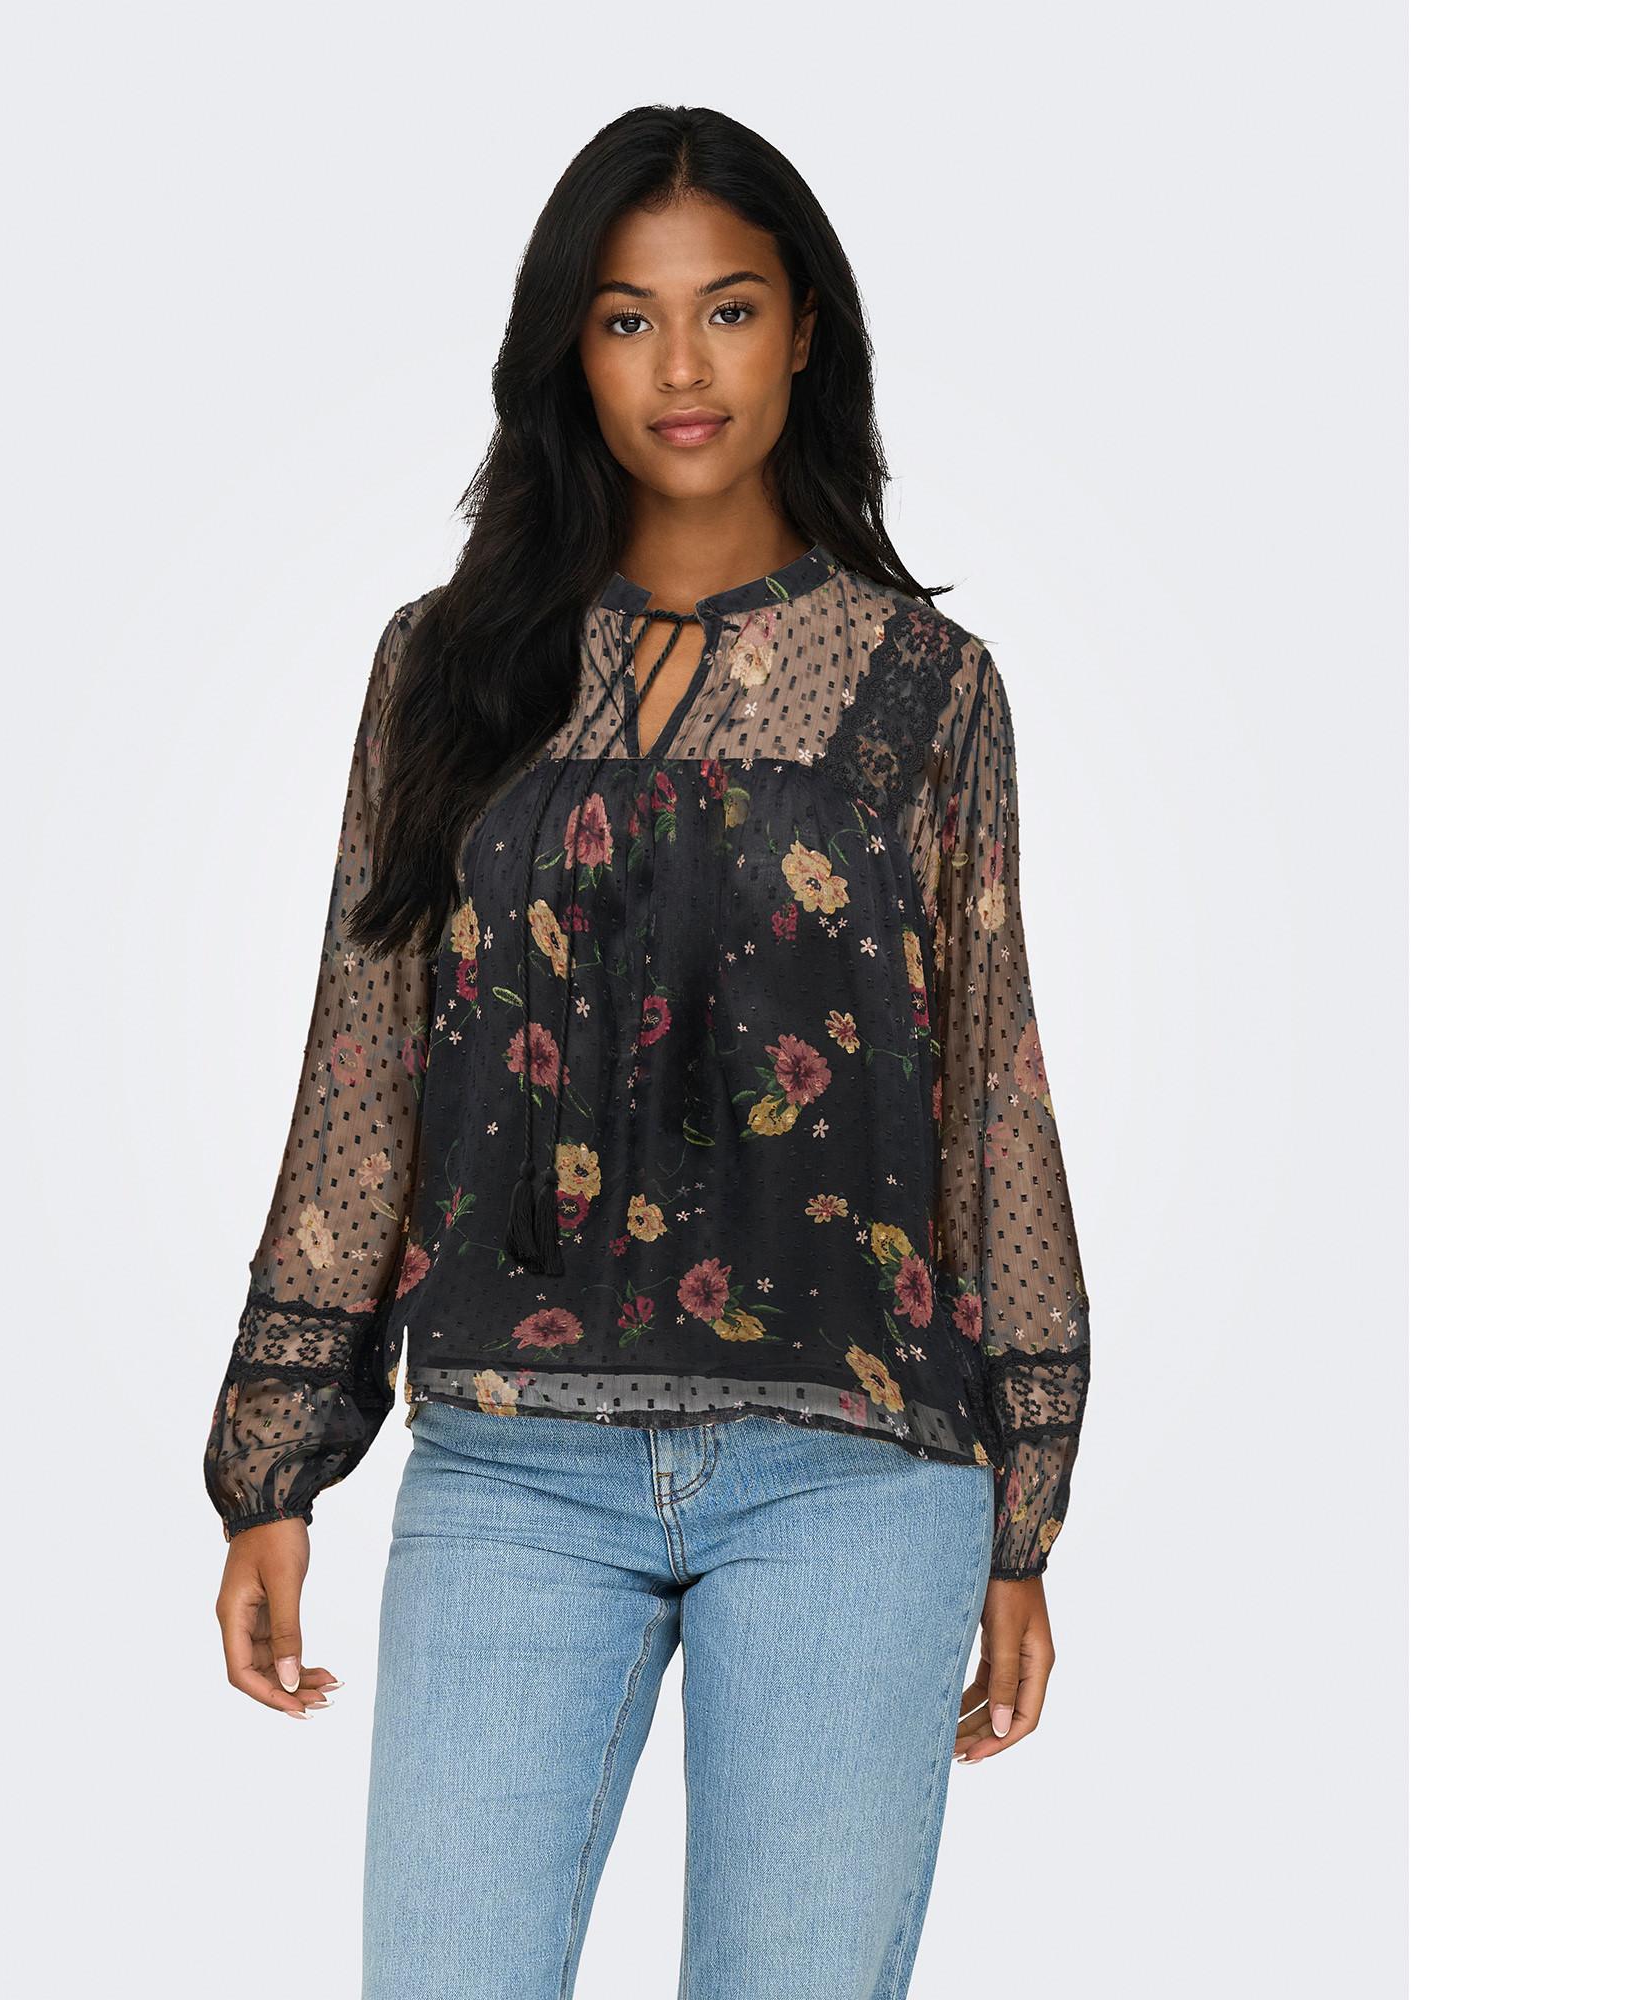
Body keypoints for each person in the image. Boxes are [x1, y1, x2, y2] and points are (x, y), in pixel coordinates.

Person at [204, 103, 1092, 2000]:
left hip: (856, 1468)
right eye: (628, 318)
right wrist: (275, 1463)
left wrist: (1024, 1514)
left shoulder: (927, 690)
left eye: (729, 310)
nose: (683, 368)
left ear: (806, 332)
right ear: (569, 349)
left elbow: (989, 1091)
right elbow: (363, 1059)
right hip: (511, 1464)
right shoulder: (447, 668)